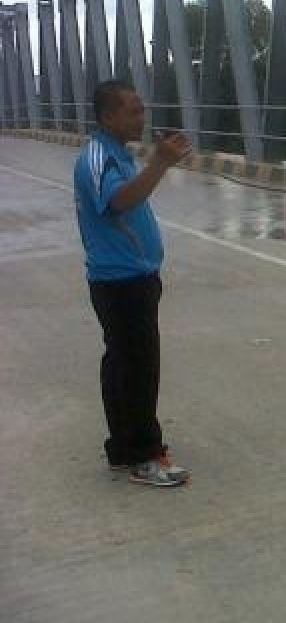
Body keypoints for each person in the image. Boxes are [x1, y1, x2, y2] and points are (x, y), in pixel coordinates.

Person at [73, 80, 192, 487]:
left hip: (134, 277)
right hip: (119, 281)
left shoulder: (116, 154)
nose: (141, 117)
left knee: (123, 364)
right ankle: (144, 456)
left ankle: (124, 447)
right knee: (139, 368)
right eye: (133, 111)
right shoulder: (97, 157)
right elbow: (118, 202)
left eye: (142, 109)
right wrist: (159, 164)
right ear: (107, 117)